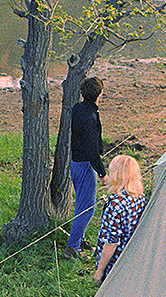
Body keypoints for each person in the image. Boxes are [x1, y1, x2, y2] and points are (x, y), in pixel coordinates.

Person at [65, 77, 107, 259]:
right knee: (86, 208)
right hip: (84, 166)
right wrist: (102, 172)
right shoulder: (89, 116)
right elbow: (91, 149)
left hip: (77, 163)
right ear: (99, 94)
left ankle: (78, 240)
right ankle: (72, 248)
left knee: (82, 204)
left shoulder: (79, 108)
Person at [93, 155, 147, 286]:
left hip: (115, 263)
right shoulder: (141, 197)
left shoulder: (115, 205)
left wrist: (100, 270)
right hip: (133, 258)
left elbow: (111, 243)